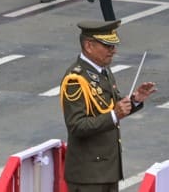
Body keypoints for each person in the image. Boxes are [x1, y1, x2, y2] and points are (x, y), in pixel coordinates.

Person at [60, 20, 156, 189]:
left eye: (113, 46)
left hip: (106, 171)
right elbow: (76, 126)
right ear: (89, 46)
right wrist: (114, 115)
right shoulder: (76, 80)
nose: (113, 51)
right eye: (108, 46)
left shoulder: (103, 70)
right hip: (88, 176)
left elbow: (114, 104)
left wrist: (135, 100)